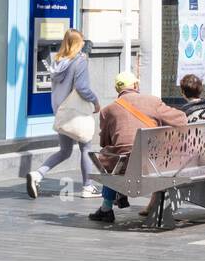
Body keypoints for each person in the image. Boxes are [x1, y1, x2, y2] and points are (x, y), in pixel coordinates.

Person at [86, 71, 187, 223]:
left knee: (110, 161)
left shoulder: (107, 110)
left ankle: (106, 208)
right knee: (120, 159)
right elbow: (181, 120)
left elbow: (105, 142)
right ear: (135, 85)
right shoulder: (153, 101)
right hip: (156, 163)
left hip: (124, 164)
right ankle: (113, 202)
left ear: (117, 89)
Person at [26, 29, 102, 199]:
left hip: (61, 112)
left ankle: (38, 174)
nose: (83, 43)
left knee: (65, 151)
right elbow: (82, 88)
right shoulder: (79, 62)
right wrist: (95, 100)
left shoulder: (57, 62)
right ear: (77, 43)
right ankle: (87, 187)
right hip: (76, 113)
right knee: (86, 148)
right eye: (81, 41)